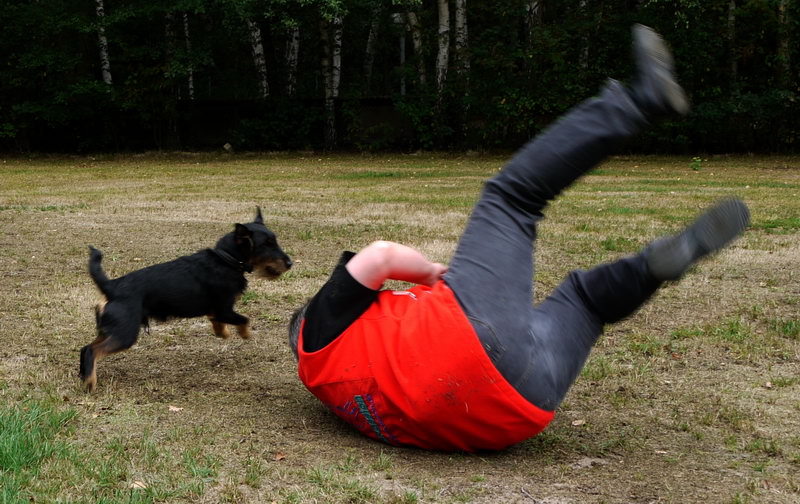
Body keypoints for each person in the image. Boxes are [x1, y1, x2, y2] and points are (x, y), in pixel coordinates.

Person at [287, 25, 750, 452]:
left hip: (517, 411)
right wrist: (427, 273)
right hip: (463, 343)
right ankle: (639, 102)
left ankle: (649, 270)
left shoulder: (328, 385)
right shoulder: (319, 330)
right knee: (513, 197)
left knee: (588, 303)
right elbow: (380, 256)